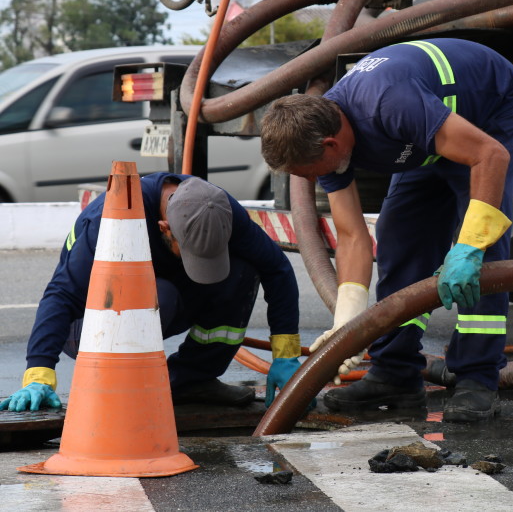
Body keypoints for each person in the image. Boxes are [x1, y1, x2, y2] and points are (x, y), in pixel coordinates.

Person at [260, 38, 513, 422]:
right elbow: (353, 236)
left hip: (489, 115)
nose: (312, 181)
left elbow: (490, 154)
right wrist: (346, 325)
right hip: (428, 132)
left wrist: (469, 246)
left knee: (483, 250)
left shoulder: (387, 104)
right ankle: (395, 372)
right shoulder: (331, 137)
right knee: (398, 239)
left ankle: (477, 378)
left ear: (330, 143)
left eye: (310, 173)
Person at [0, 173, 305, 412]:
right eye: (187, 253)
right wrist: (39, 373)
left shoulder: (214, 208)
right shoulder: (113, 218)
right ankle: (122, 388)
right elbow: (61, 295)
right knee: (160, 292)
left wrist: (286, 355)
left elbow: (277, 269)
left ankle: (191, 379)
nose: (197, 264)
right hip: (88, 323)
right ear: (163, 227)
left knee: (241, 272)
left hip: (160, 297)